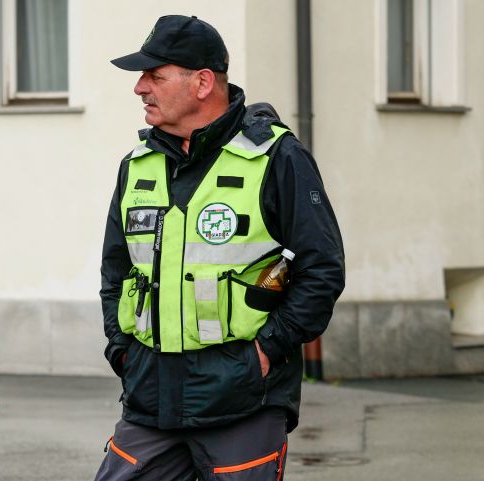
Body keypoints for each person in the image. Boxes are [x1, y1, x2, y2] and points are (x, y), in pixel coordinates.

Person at [96, 15, 345, 480]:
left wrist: (266, 351)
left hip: (243, 403)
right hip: (150, 400)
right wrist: (121, 348)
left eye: (155, 75)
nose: (140, 88)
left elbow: (322, 269)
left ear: (203, 82)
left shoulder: (277, 157)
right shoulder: (137, 165)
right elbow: (117, 271)